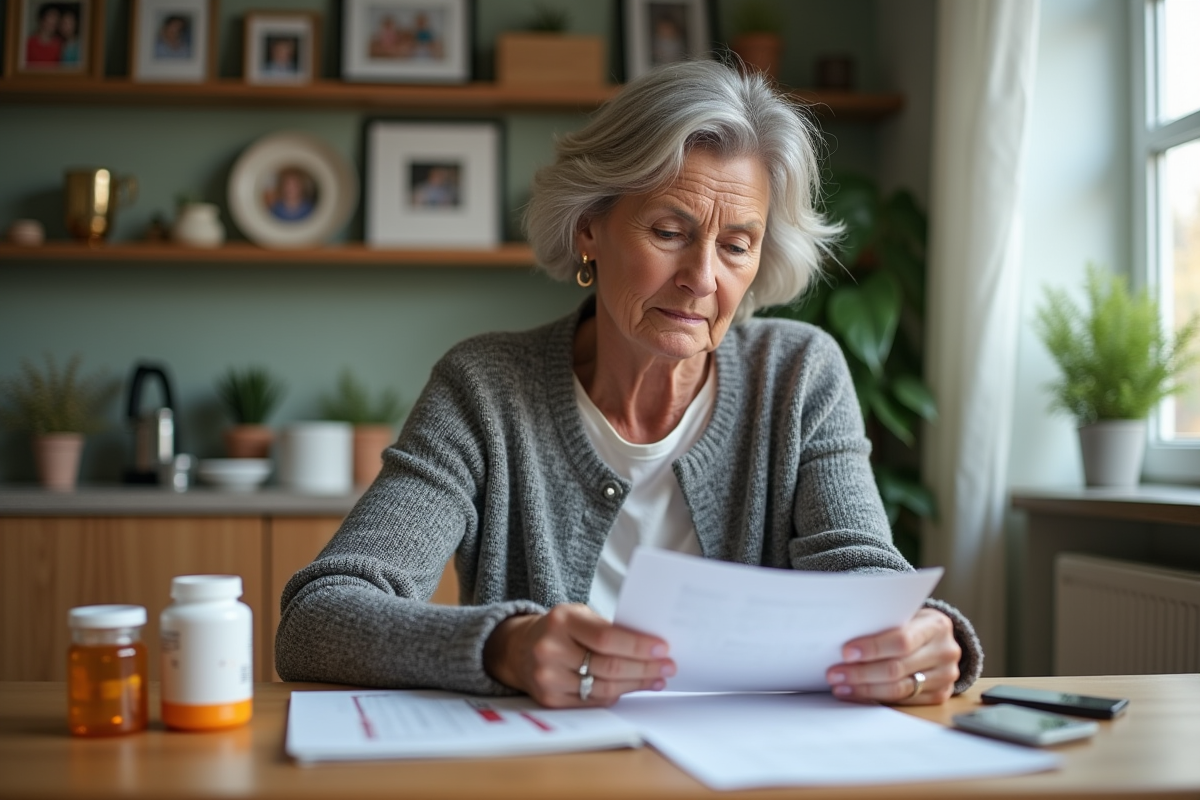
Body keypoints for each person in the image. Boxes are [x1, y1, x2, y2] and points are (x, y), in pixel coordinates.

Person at [276, 60, 982, 708]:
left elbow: (863, 579)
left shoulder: (800, 376)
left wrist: (918, 639)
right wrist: (503, 646)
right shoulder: (485, 389)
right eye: (669, 231)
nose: (703, 278)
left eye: (736, 245)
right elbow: (318, 617)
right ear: (590, 228)